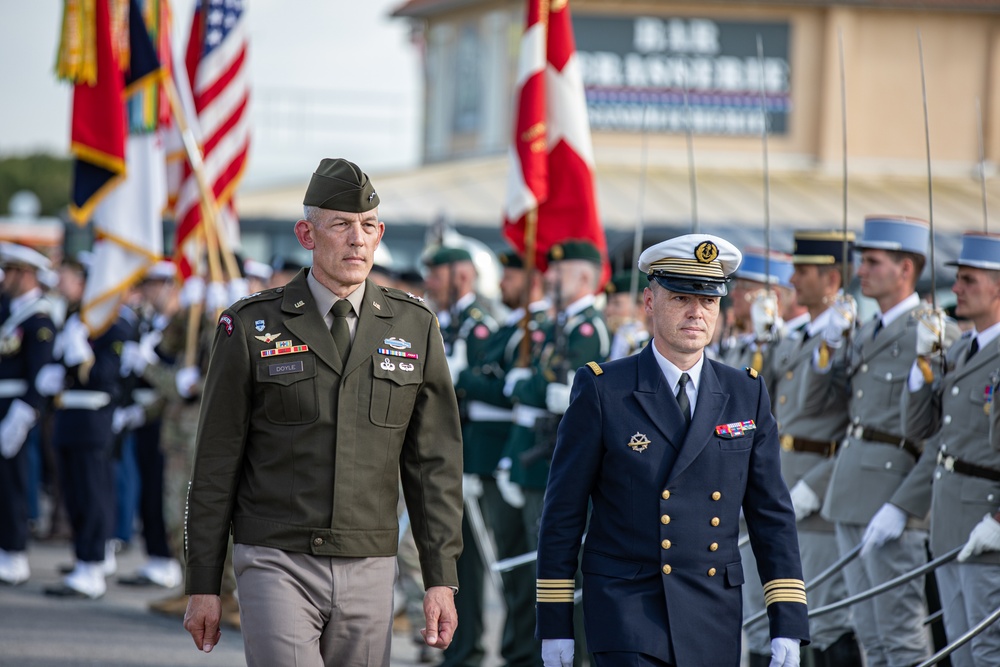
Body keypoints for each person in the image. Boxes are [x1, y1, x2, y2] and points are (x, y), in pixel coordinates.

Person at [182, 157, 464, 666]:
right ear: (306, 235)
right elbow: (214, 464)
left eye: (369, 226)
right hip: (275, 558)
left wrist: (440, 577)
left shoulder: (415, 325)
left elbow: (434, 467)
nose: (358, 239)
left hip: (370, 563)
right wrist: (203, 582)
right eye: (341, 225)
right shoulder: (249, 326)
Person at [536, 233, 809, 667]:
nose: (696, 312)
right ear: (649, 301)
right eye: (681, 297)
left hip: (711, 609)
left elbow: (771, 514)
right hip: (627, 604)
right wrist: (554, 624)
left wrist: (788, 622)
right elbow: (563, 513)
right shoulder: (606, 388)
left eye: (709, 301)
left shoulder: (745, 392)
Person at [805, 215, 959, 667]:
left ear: (905, 270)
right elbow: (819, 405)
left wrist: (906, 505)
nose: (860, 271)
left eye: (872, 262)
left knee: (901, 635)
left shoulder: (932, 333)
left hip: (892, 492)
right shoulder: (867, 329)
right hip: (851, 490)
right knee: (870, 636)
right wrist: (830, 346)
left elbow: (945, 432)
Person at [895, 231, 1000, 666]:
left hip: (988, 524)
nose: (955, 288)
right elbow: (920, 427)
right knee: (960, 649)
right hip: (951, 521)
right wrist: (923, 365)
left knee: (989, 650)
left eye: (969, 280)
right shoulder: (960, 349)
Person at [761, 231, 861, 666]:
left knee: (824, 618)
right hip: (782, 478)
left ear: (832, 278)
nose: (793, 278)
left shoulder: (849, 338)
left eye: (803, 271)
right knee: (775, 618)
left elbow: (856, 426)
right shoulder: (798, 335)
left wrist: (816, 485)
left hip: (818, 492)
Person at [454, 247, 549, 667]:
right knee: (506, 565)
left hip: (510, 455)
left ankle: (522, 652)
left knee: (517, 564)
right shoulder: (513, 327)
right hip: (492, 455)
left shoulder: (535, 329)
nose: (502, 283)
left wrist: (465, 378)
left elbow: (509, 391)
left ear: (533, 282)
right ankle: (513, 649)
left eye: (512, 276)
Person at [0, 243, 56, 585]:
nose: (4, 278)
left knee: (14, 482)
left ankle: (15, 552)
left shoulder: (39, 318)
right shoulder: (9, 310)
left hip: (16, 407)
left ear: (26, 274)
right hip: (4, 403)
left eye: (10, 271)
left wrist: (21, 417)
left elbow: (41, 374)